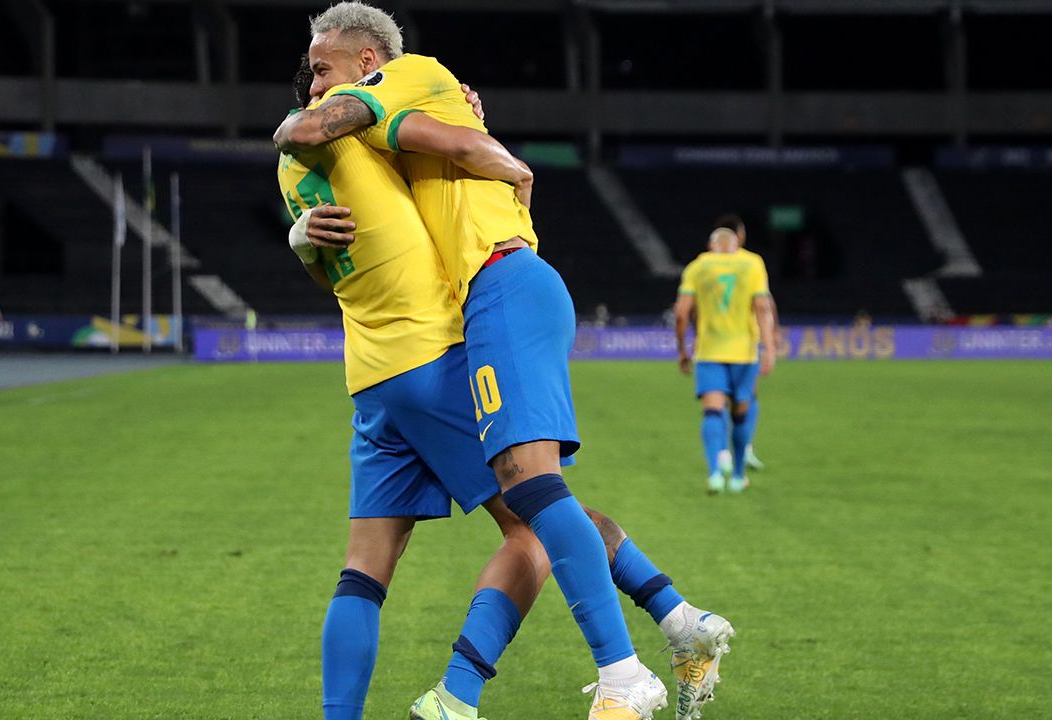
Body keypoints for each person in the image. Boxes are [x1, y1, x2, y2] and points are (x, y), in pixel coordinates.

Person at [275, 6, 733, 719]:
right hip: (429, 357)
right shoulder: (345, 131)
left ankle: (659, 632)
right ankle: (638, 648)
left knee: (370, 567)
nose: (313, 79)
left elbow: (403, 155)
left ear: (371, 64)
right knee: (539, 516)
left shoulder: (354, 123)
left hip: (375, 375)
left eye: (323, 66)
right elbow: (425, 141)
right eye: (310, 74)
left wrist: (303, 232)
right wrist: (500, 154)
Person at [674, 226, 777, 494]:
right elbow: (763, 307)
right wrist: (770, 347)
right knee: (741, 414)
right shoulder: (752, 263)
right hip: (744, 353)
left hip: (709, 351)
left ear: (711, 245)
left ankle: (714, 474)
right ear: (736, 244)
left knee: (712, 411)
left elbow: (681, 313)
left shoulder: (698, 266)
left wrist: (682, 350)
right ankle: (739, 475)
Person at [721, 213, 773, 473]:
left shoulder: (705, 263)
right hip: (744, 344)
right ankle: (744, 452)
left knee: (715, 402)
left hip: (711, 346)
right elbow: (764, 303)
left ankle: (720, 455)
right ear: (739, 236)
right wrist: (771, 340)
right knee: (746, 398)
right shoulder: (752, 262)